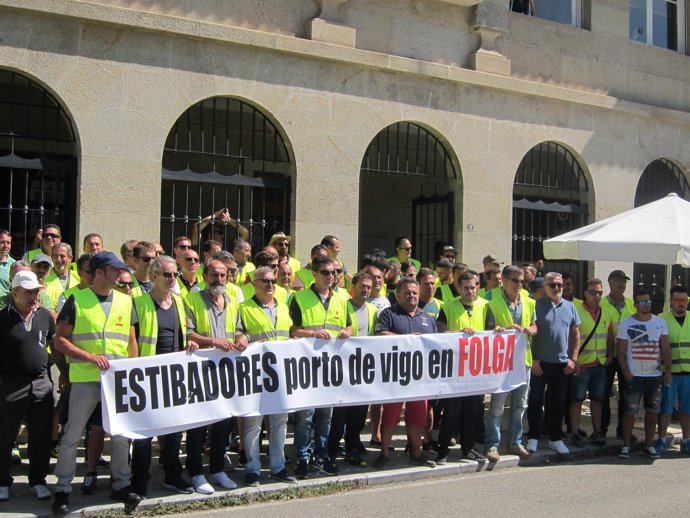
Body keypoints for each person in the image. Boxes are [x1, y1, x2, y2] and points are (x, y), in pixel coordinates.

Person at [52, 252, 141, 514]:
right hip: (85, 380)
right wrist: (89, 357)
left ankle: (121, 484)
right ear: (100, 272)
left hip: (116, 382)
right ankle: (63, 488)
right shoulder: (76, 299)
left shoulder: (126, 301)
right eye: (115, 270)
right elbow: (60, 340)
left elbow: (131, 341)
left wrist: (130, 371)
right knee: (72, 436)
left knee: (122, 434)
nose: (120, 275)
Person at [129, 256, 195, 496]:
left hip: (174, 375)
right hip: (146, 375)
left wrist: (190, 346)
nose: (172, 278)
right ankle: (139, 480)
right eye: (167, 274)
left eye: (174, 274)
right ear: (154, 275)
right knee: (145, 433)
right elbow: (133, 340)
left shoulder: (179, 302)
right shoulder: (139, 303)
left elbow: (186, 335)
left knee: (175, 430)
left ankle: (173, 473)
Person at [184, 259, 246, 494]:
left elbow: (240, 329)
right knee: (198, 424)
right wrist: (212, 342)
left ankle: (217, 468)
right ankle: (196, 472)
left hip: (226, 371)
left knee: (223, 420)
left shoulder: (231, 301)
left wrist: (243, 338)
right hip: (200, 370)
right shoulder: (193, 299)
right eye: (214, 275)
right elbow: (188, 331)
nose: (219, 279)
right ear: (204, 275)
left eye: (223, 275)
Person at [289, 255, 352, 479]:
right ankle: (303, 458)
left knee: (326, 415)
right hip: (307, 366)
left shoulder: (342, 299)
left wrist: (347, 332)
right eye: (325, 273)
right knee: (306, 416)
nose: (331, 277)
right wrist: (313, 333)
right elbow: (293, 330)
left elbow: (350, 327)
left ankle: (322, 456)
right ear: (314, 274)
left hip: (330, 368)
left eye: (334, 273)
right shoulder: (299, 297)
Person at [0, 271, 56, 503]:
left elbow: (54, 343)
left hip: (41, 383)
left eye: (35, 292)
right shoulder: (2, 318)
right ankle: (3, 481)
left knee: (41, 436)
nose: (33, 296)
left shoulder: (45, 315)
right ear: (14, 293)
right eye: (28, 292)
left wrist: (62, 374)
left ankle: (38, 480)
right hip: (10, 384)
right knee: (5, 436)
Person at [239, 266, 296, 486]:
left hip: (280, 375)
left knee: (279, 422)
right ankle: (252, 469)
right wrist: (243, 337)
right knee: (254, 423)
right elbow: (238, 332)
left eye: (273, 281)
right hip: (255, 374)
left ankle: (278, 466)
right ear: (254, 284)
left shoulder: (283, 307)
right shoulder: (244, 308)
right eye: (265, 281)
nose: (270, 285)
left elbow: (289, 334)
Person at [374, 278, 436, 468]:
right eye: (407, 293)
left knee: (418, 417)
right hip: (394, 376)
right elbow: (380, 335)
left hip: (419, 377)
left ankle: (416, 453)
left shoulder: (426, 317)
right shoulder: (388, 314)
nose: (412, 296)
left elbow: (437, 342)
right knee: (391, 417)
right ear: (398, 295)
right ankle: (384, 454)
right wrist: (407, 339)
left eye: (415, 293)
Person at [436, 272, 497, 463]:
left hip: (475, 370)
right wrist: (459, 334)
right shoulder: (448, 307)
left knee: (472, 411)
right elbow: (440, 332)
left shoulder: (486, 307)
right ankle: (443, 451)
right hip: (454, 369)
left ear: (478, 286)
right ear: (459, 288)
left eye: (473, 287)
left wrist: (499, 332)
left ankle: (468, 448)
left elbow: (491, 332)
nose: (470, 291)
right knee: (451, 411)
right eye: (466, 288)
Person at [484, 265, 537, 461]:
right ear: (504, 281)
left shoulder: (529, 302)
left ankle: (515, 443)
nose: (519, 284)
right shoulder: (493, 303)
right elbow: (487, 330)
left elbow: (534, 323)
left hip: (524, 361)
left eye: (522, 281)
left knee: (520, 405)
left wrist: (532, 329)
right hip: (502, 363)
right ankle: (492, 444)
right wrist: (501, 329)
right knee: (497, 407)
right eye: (515, 280)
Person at [526, 272, 580, 455]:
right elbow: (528, 334)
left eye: (559, 285)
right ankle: (533, 437)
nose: (557, 288)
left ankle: (555, 439)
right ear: (544, 288)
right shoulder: (535, 305)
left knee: (557, 403)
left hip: (561, 364)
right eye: (552, 285)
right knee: (535, 401)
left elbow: (575, 334)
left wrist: (573, 359)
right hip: (539, 363)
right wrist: (532, 359)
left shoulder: (571, 307)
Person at [328, 272, 376, 468]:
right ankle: (331, 450)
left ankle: (352, 448)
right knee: (340, 415)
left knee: (359, 414)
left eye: (369, 287)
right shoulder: (342, 305)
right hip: (342, 369)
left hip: (363, 369)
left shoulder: (373, 309)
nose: (365, 290)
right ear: (353, 286)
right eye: (362, 286)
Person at [617, 288, 671, 459]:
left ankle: (649, 445)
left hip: (654, 376)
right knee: (629, 412)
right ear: (635, 305)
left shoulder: (660, 322)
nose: (646, 305)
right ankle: (626, 445)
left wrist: (667, 372)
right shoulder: (626, 323)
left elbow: (665, 348)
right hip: (635, 375)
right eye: (642, 302)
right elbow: (621, 351)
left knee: (652, 412)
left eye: (648, 301)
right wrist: (626, 373)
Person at [569, 278, 614, 447]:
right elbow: (571, 336)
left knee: (597, 399)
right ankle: (574, 433)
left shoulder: (606, 312)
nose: (597, 296)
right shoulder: (576, 310)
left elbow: (610, 335)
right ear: (586, 294)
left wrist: (610, 356)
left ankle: (597, 432)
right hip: (582, 364)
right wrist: (574, 360)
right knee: (577, 399)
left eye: (599, 293)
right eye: (593, 292)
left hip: (600, 363)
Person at [600, 270, 636, 440]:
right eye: (618, 281)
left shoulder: (631, 304)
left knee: (626, 394)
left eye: (624, 281)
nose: (622, 284)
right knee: (604, 394)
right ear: (610, 283)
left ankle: (623, 429)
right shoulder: (601, 304)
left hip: (627, 357)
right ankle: (602, 429)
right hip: (607, 356)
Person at [656, 285, 690, 454]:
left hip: (688, 373)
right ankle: (661, 439)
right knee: (666, 408)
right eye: (677, 300)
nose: (681, 303)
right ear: (671, 301)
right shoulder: (661, 319)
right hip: (669, 373)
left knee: (687, 409)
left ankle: (686, 440)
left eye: (684, 300)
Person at [44, 243, 80, 309]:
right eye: (55, 256)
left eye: (62, 256)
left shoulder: (79, 278)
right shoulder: (44, 277)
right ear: (51, 258)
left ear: (70, 258)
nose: (58, 259)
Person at [0, 229, 16, 303]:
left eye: (8, 243)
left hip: (5, 310)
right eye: (2, 242)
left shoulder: (15, 265)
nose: (6, 246)